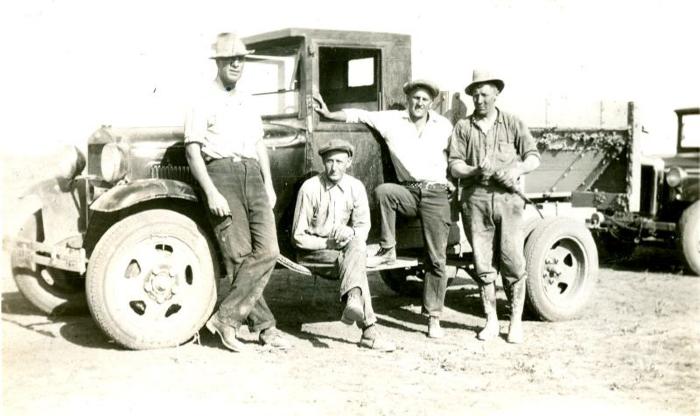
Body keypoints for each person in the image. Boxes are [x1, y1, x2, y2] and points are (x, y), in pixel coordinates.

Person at [314, 80, 454, 339]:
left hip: (435, 192)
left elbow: (456, 155)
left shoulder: (443, 126)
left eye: (424, 99)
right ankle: (388, 249)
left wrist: (453, 181)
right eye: (414, 98)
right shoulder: (392, 120)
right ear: (408, 98)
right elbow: (359, 114)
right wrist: (329, 114)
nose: (418, 103)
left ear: (431, 102)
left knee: (436, 258)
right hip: (408, 191)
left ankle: (434, 317)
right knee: (384, 191)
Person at [184, 32, 291, 352]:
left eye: (240, 59)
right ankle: (265, 327)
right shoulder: (202, 100)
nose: (236, 65)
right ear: (217, 63)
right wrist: (212, 192)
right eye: (230, 59)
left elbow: (259, 144)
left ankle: (225, 318)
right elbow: (193, 151)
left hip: (253, 176)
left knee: (270, 250)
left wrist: (269, 185)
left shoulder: (247, 99)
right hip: (222, 174)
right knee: (238, 257)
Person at [448, 70, 541, 344]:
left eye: (484, 94)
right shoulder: (463, 127)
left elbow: (534, 157)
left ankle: (515, 323)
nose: (479, 100)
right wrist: (474, 169)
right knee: (483, 264)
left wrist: (516, 170)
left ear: (496, 94)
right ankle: (490, 321)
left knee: (512, 261)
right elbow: (454, 164)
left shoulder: (512, 123)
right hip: (475, 202)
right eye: (475, 95)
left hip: (509, 202)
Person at [291, 139, 396, 352]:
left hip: (345, 249)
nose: (334, 167)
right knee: (355, 261)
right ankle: (368, 328)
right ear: (323, 162)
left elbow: (363, 227)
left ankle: (355, 302)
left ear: (349, 162)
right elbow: (298, 237)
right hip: (315, 251)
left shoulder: (355, 187)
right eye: (329, 161)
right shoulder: (310, 188)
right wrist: (327, 242)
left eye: (339, 161)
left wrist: (351, 232)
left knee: (355, 247)